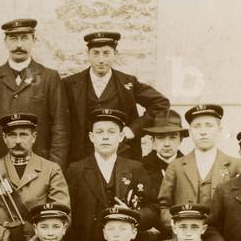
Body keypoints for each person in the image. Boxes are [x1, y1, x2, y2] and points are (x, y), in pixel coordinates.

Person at [0, 19, 70, 167]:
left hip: (40, 163)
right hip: (0, 163)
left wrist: (54, 168)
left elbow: (60, 126)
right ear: (5, 41)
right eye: (13, 38)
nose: (19, 44)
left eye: (24, 38)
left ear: (34, 40)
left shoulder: (49, 77)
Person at [62, 31, 170, 164]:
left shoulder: (127, 83)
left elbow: (160, 104)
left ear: (115, 54)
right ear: (88, 55)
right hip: (82, 158)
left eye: (106, 53)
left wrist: (133, 129)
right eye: (96, 53)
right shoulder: (70, 84)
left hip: (123, 156)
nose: (101, 60)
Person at [64, 108, 154, 241]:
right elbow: (69, 212)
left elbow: (153, 209)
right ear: (91, 137)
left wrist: (133, 214)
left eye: (111, 132)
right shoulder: (76, 169)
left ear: (120, 136)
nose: (105, 137)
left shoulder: (136, 168)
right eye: (100, 132)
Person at [0, 112, 70, 233]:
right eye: (12, 135)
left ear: (33, 137)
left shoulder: (51, 170)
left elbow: (62, 213)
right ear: (4, 138)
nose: (18, 141)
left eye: (23, 135)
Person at [157, 104, 241, 226]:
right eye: (197, 126)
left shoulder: (235, 165)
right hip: (185, 239)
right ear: (190, 131)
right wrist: (177, 226)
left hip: (223, 239)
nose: (203, 132)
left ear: (219, 129)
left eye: (209, 126)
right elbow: (164, 206)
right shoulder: (176, 166)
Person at [137, 109, 188, 241]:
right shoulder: (139, 167)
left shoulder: (192, 166)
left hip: (184, 238)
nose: (166, 144)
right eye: (160, 138)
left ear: (180, 140)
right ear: (153, 141)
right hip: (149, 240)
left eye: (172, 137)